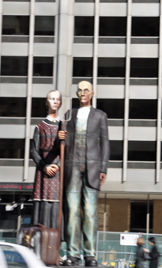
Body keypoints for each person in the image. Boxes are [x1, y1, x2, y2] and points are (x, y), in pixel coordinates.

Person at [59, 81, 110, 267]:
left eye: (86, 90)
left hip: (92, 167)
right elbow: (62, 140)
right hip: (72, 167)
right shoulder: (69, 114)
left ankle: (90, 255)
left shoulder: (100, 115)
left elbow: (105, 142)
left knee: (90, 213)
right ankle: (72, 254)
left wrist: (103, 168)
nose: (82, 93)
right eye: (79, 90)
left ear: (92, 93)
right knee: (72, 211)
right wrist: (60, 136)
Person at [30, 90, 62, 229]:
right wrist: (44, 166)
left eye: (57, 99)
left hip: (57, 172)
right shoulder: (39, 127)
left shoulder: (64, 126)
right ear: (46, 102)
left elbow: (66, 150)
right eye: (52, 99)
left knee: (55, 205)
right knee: (41, 204)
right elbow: (33, 151)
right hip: (42, 172)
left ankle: (54, 240)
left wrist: (58, 165)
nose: (55, 101)